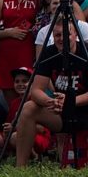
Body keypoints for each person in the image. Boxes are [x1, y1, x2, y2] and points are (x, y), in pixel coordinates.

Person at [15, 18, 88, 167]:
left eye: (66, 34)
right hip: (60, 111)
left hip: (84, 109)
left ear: (75, 35)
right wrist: (51, 102)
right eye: (58, 35)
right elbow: (36, 91)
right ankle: (20, 168)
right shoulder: (49, 53)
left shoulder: (85, 52)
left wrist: (70, 101)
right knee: (29, 108)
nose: (62, 39)